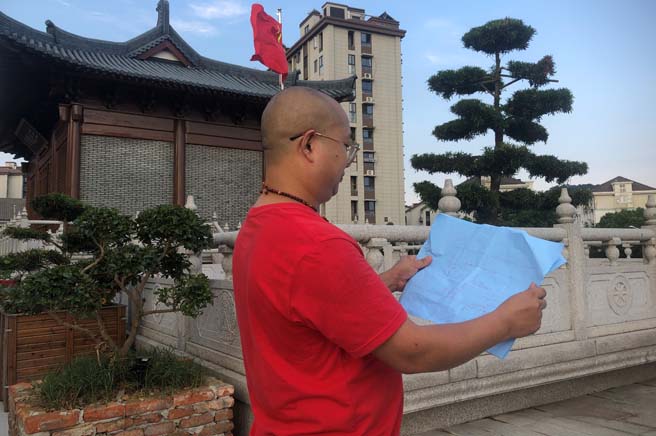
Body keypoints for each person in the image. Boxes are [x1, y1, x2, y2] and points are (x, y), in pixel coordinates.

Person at [232, 87, 547, 436]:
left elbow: (305, 308)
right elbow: (412, 352)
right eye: (345, 146)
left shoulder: (257, 228)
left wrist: (386, 281)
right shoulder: (318, 244)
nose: (348, 160)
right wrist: (505, 322)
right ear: (309, 145)